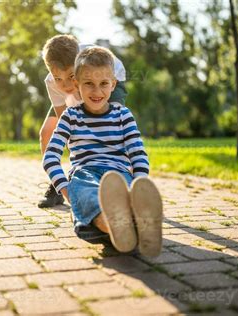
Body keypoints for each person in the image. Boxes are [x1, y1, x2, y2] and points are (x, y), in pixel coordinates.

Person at [42, 46, 163, 257]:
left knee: (120, 192)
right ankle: (122, 228)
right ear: (77, 85)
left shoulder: (123, 115)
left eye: (103, 84)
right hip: (84, 173)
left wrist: (139, 184)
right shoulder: (70, 117)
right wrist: (66, 191)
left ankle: (130, 222)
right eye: (89, 84)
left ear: (113, 84)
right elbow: (51, 156)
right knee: (88, 195)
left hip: (119, 174)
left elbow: (138, 152)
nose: (97, 92)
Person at [38, 34, 127, 208]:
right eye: (58, 78)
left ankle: (118, 178)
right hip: (80, 85)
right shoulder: (52, 83)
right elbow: (66, 126)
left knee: (109, 126)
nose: (65, 85)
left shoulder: (93, 69)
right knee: (47, 132)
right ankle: (57, 186)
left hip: (104, 79)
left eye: (70, 76)